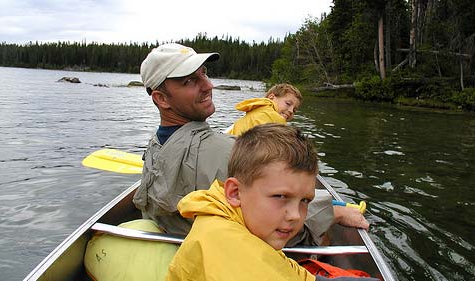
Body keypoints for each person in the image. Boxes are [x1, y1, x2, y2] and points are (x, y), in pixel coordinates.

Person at [132, 43, 368, 247]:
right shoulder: (230, 153)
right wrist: (332, 212)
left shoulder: (155, 145)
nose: (208, 85)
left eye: (204, 73)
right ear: (161, 99)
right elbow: (286, 230)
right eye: (190, 81)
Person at [166, 124, 378, 281]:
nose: (296, 215)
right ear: (235, 193)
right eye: (281, 197)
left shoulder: (229, 216)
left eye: (305, 200)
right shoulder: (230, 250)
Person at [227, 83, 302, 136]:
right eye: (288, 103)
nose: (291, 111)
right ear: (271, 97)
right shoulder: (271, 115)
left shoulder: (258, 110)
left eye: (294, 110)